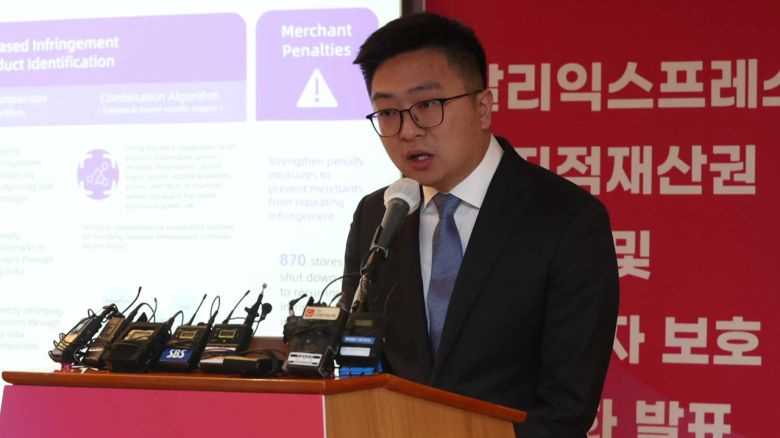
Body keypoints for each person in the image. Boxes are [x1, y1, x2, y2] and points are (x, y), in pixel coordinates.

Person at [341, 12, 619, 437]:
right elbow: (360, 360)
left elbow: (567, 407)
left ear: (483, 107)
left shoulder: (566, 219)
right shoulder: (377, 214)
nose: (407, 131)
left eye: (427, 105)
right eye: (388, 112)